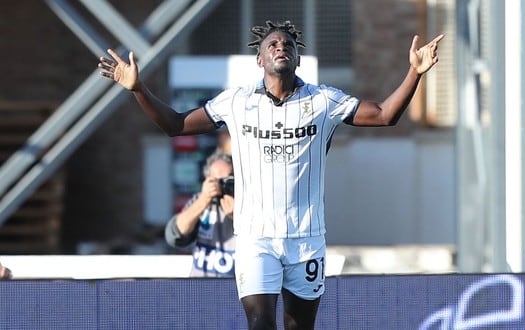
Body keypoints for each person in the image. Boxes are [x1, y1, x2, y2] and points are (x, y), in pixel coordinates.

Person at [99, 20, 443, 330]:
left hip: (307, 240)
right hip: (255, 239)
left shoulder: (323, 101)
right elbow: (175, 125)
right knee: (261, 324)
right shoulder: (237, 102)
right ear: (260, 60)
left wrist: (415, 72)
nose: (281, 48)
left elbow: (384, 115)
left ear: (297, 60)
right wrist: (138, 89)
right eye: (272, 45)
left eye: (288, 46)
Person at [165, 150, 235, 277]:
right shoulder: (200, 201)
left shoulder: (249, 203)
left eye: (229, 180)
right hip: (202, 286)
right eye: (219, 181)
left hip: (235, 286)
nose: (224, 185)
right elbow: (175, 236)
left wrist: (237, 217)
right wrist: (203, 200)